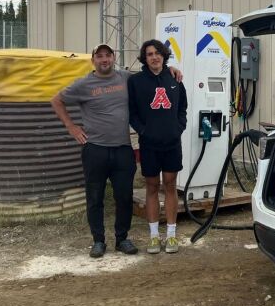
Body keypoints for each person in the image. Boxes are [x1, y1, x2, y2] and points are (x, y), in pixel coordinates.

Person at [51, 43, 182, 258]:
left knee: (123, 197)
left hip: (122, 149)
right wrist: (72, 127)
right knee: (95, 197)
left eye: (108, 56)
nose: (104, 60)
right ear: (93, 60)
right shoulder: (83, 84)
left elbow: (151, 72)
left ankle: (122, 238)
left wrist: (171, 69)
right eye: (99, 56)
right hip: (95, 148)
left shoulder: (126, 78)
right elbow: (56, 100)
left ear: (114, 58)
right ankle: (98, 241)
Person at [128, 39, 188, 255]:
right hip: (149, 145)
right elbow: (132, 112)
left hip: (172, 143)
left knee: (170, 186)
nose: (154, 57)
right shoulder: (135, 81)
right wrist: (143, 131)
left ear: (164, 55)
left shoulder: (174, 78)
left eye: (157, 53)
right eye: (149, 54)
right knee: (152, 187)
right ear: (144, 58)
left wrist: (178, 127)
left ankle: (171, 236)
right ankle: (154, 237)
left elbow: (183, 107)